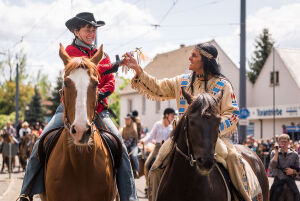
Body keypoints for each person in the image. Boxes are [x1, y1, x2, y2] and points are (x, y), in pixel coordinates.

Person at [19, 12, 137, 201]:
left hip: (99, 109)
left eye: (93, 30)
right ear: (76, 31)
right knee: (41, 142)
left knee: (120, 145)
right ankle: (26, 191)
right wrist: (113, 65)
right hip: (68, 109)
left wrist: (99, 93)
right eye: (87, 29)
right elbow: (85, 69)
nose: (91, 33)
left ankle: (130, 197)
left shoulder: (102, 55)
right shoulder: (70, 52)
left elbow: (110, 83)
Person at [122, 42, 258, 201]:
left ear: (205, 61)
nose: (189, 57)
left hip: (213, 139)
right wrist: (138, 70)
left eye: (194, 55)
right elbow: (158, 87)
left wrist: (208, 130)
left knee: (234, 158)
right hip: (180, 139)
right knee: (154, 167)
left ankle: (243, 197)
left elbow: (233, 114)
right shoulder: (182, 82)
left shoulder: (223, 85)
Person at [140, 107, 175, 196]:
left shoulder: (172, 127)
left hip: (167, 148)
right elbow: (151, 136)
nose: (173, 117)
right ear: (166, 115)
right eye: (172, 115)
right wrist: (143, 140)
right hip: (157, 147)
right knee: (147, 164)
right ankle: (149, 187)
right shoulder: (158, 124)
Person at [269, 134, 300, 201]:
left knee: (297, 195)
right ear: (279, 142)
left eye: (285, 141)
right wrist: (277, 152)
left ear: (288, 142)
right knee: (270, 196)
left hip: (290, 181)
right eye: (282, 141)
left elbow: (298, 169)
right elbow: (272, 166)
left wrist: (293, 171)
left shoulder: (294, 154)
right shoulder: (274, 153)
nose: (284, 143)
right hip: (278, 181)